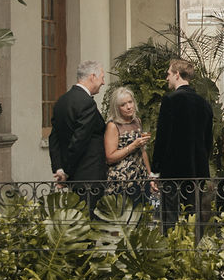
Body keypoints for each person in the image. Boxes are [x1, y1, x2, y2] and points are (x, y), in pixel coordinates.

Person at [150, 58, 215, 226]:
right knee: (192, 216)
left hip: (173, 169)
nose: (167, 78)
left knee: (170, 217)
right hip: (196, 169)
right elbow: (208, 139)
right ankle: (191, 251)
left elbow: (163, 137)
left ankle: (172, 251)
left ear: (177, 75)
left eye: (169, 74)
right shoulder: (204, 104)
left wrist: (155, 169)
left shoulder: (170, 101)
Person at [49, 60, 107, 213]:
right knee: (89, 221)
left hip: (74, 176)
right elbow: (80, 139)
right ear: (92, 77)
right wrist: (66, 171)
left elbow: (53, 138)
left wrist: (59, 168)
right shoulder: (86, 102)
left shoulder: (61, 101)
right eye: (102, 77)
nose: (103, 82)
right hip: (89, 176)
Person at [104, 87, 152, 207]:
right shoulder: (113, 126)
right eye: (123, 105)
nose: (129, 107)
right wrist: (133, 146)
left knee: (142, 217)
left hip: (141, 178)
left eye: (130, 102)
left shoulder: (137, 121)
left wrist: (150, 176)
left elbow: (142, 151)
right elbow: (110, 157)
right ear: (117, 108)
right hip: (122, 180)